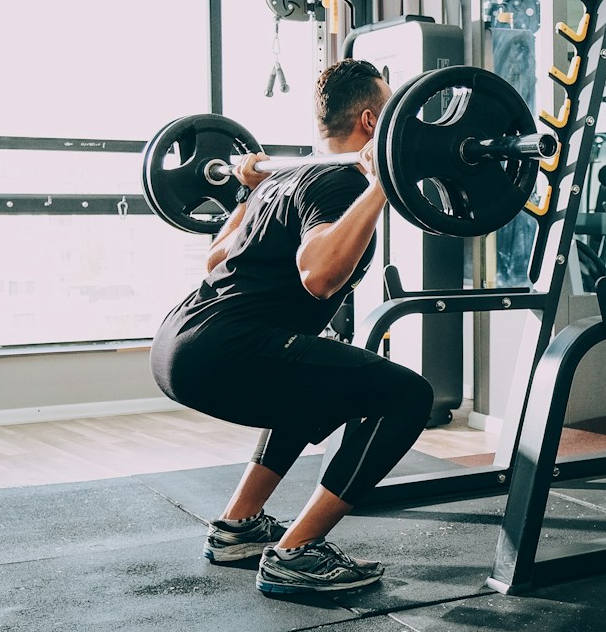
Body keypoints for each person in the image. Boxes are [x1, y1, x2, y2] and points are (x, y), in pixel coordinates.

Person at [150, 59, 433, 596]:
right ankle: (295, 553)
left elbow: (215, 260)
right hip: (226, 348)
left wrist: (245, 191)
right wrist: (380, 186)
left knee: (312, 378)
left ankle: (239, 527)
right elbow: (319, 277)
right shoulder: (342, 182)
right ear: (373, 124)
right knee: (408, 396)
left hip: (180, 342)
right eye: (393, 112)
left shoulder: (283, 178)